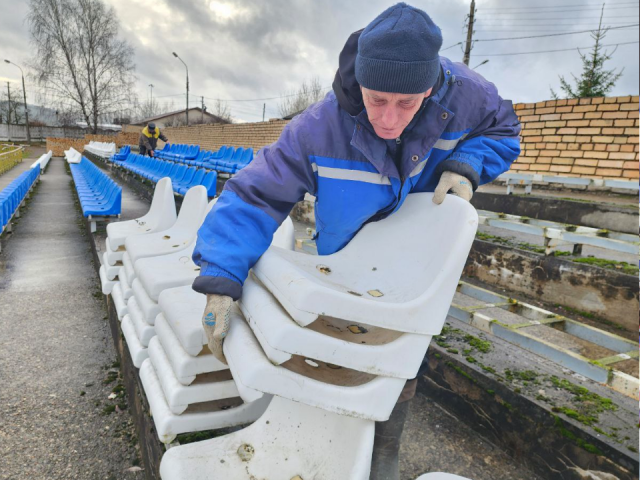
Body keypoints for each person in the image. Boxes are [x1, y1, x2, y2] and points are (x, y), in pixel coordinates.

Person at [192, 3, 521, 479]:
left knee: (400, 367)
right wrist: (221, 275)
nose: (389, 119)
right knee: (332, 363)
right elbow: (255, 193)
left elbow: (505, 131)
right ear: (359, 84)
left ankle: (381, 458)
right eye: (376, 99)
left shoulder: (469, 97)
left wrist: (468, 164)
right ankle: (318, 452)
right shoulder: (321, 126)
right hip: (342, 266)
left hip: (415, 275)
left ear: (429, 89)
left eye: (407, 103)